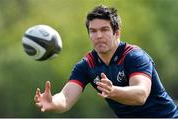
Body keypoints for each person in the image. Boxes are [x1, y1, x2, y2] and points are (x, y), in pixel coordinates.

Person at [34, 5, 178, 118]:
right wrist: (52, 102)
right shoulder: (87, 65)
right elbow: (66, 97)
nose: (99, 36)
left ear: (117, 33)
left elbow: (141, 95)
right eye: (93, 31)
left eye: (104, 30)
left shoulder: (134, 56)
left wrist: (113, 91)